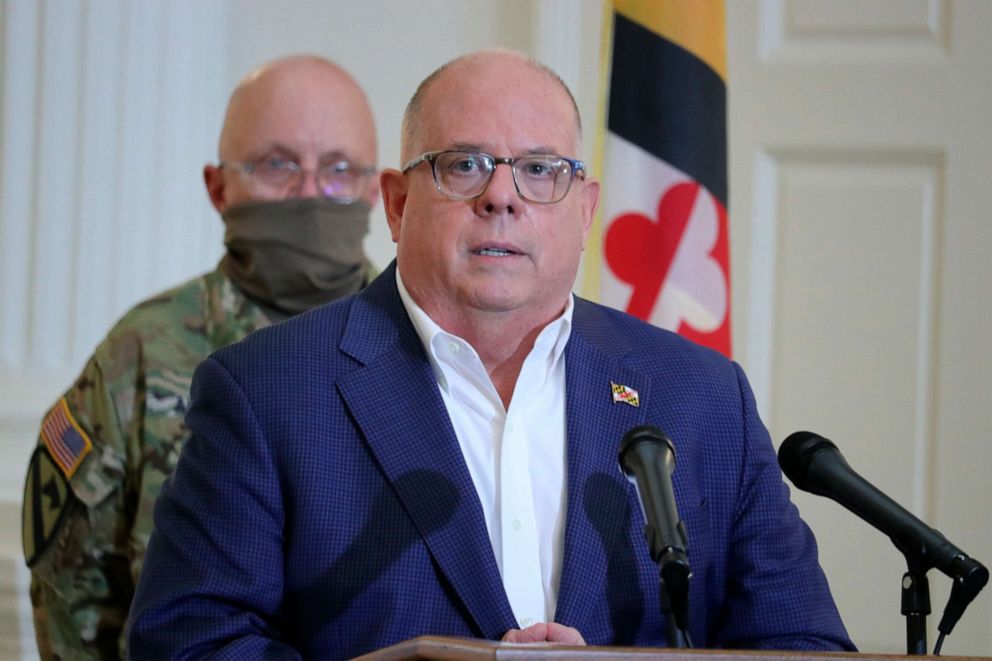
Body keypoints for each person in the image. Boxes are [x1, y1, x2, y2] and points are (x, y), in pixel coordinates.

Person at [127, 49, 855, 658]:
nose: (502, 196)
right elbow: (188, 644)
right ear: (397, 201)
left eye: (541, 170)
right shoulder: (266, 391)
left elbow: (803, 646)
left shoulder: (701, 396)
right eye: (465, 163)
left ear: (585, 209)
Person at [21, 54, 380, 660]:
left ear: (377, 190)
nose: (309, 193)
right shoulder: (138, 353)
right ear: (218, 188)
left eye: (339, 169)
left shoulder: (428, 350)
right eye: (276, 164)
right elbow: (73, 593)